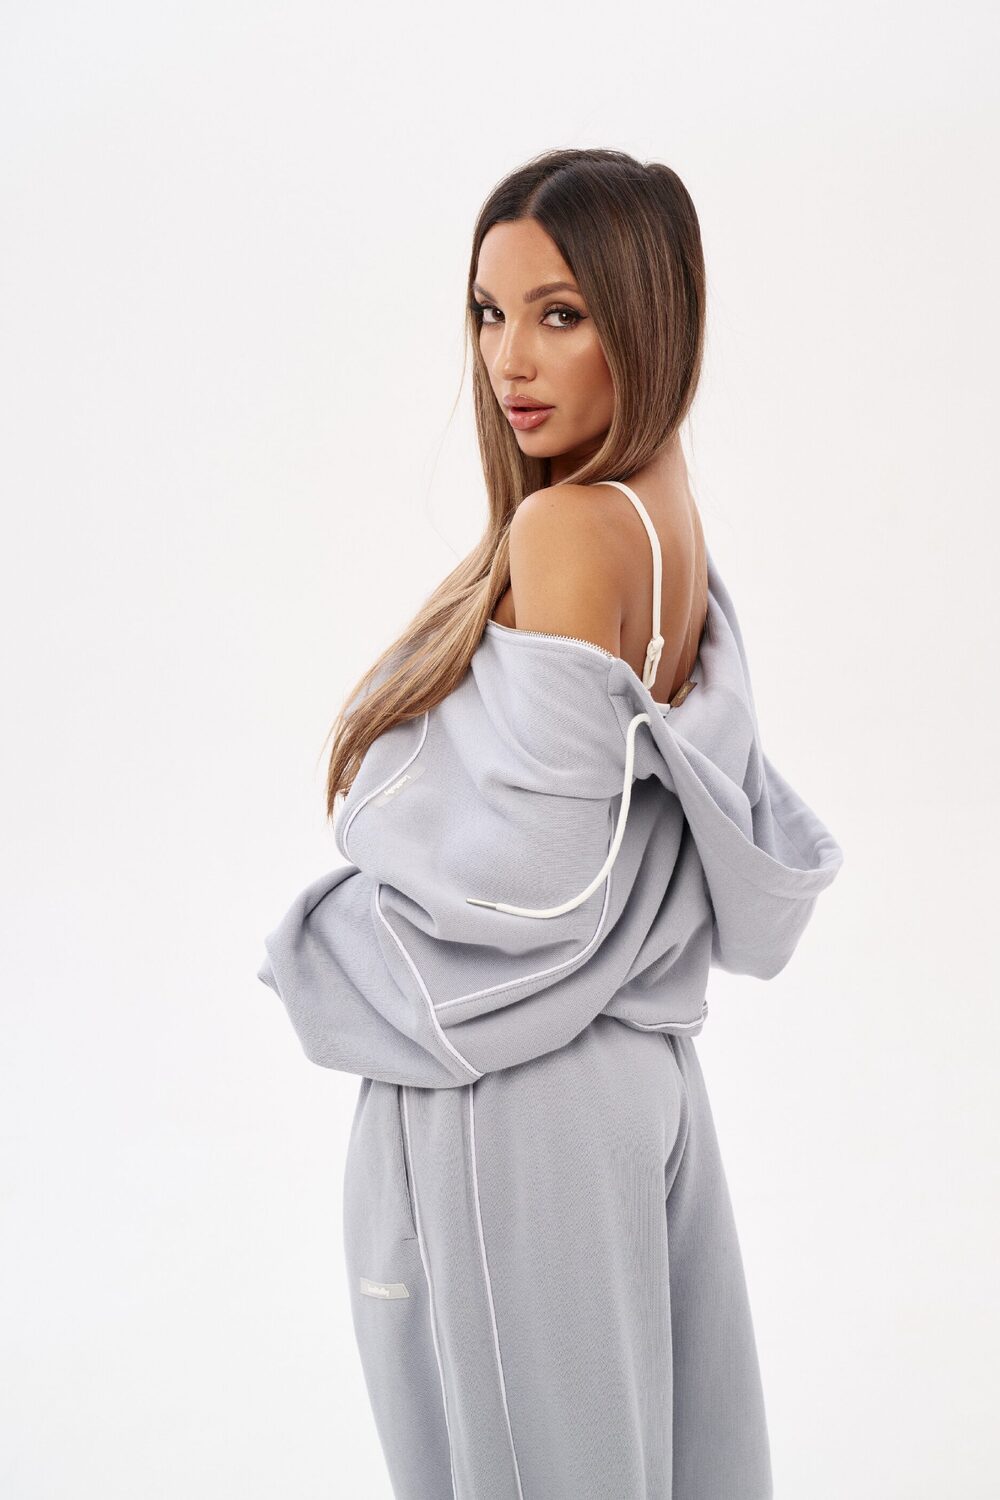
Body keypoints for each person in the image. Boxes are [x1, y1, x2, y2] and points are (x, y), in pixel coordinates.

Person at [257, 147, 844, 1499]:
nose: (508, 359)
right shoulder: (663, 512)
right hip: (633, 1075)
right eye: (488, 312)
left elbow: (533, 890)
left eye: (560, 314)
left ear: (647, 316)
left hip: (516, 1098)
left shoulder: (568, 530)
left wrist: (341, 932)